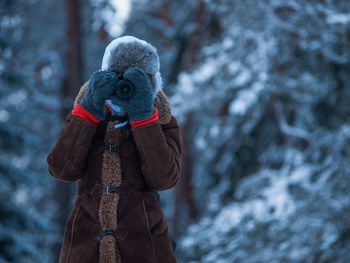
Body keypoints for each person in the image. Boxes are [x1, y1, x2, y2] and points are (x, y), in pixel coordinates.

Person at [47, 35, 182, 263]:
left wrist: (144, 117)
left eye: (138, 80)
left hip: (146, 248)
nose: (124, 87)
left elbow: (165, 179)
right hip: (84, 248)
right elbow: (61, 169)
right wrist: (88, 110)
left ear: (151, 83)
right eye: (118, 77)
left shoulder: (162, 120)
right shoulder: (88, 115)